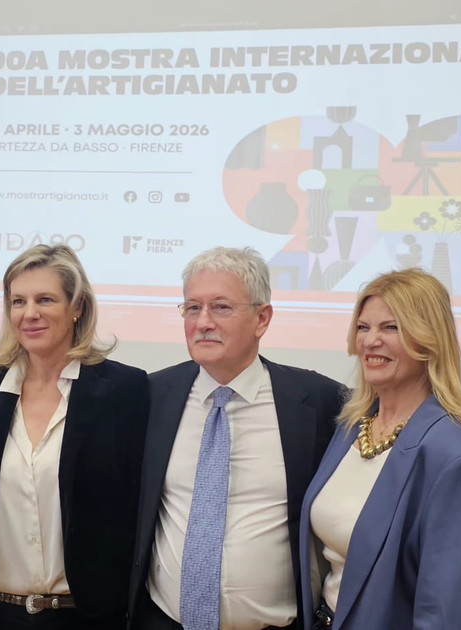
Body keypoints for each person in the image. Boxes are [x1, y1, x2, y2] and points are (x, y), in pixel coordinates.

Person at [129, 246, 346, 630]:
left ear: (262, 318)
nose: (203, 322)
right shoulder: (152, 395)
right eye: (192, 308)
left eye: (221, 307)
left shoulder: (318, 402)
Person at [0, 244, 149, 629]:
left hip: (87, 618)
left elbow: (136, 507)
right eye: (18, 301)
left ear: (77, 307)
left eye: (45, 299)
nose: (30, 313)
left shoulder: (124, 390)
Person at [298, 268, 461, 630]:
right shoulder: (352, 427)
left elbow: (445, 614)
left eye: (391, 328)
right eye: (363, 327)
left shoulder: (455, 459)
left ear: (430, 339)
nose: (371, 341)